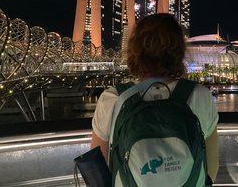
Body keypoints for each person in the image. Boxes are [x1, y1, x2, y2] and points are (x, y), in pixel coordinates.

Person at [91, 13, 219, 183]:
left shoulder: (113, 98)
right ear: (179, 51)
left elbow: (98, 172)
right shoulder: (200, 95)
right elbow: (211, 167)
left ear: (134, 51)